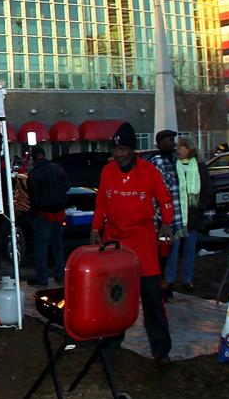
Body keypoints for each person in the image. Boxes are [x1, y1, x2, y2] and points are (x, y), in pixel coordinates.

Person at [90, 121, 174, 365]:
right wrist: (96, 228)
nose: (119, 154)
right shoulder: (107, 172)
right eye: (116, 150)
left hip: (142, 244)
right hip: (115, 244)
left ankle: (161, 350)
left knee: (152, 298)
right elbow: (101, 205)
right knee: (114, 297)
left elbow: (165, 200)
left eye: (124, 149)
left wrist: (167, 223)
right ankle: (111, 342)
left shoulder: (148, 171)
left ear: (133, 151)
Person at [165, 137, 211, 294]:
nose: (178, 150)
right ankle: (170, 280)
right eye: (177, 147)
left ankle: (187, 279)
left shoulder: (199, 167)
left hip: (193, 214)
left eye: (181, 147)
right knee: (174, 249)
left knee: (190, 248)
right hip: (177, 214)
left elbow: (206, 188)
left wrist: (200, 206)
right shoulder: (173, 166)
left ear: (189, 149)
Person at [26, 144, 70, 287]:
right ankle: (60, 275)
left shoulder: (34, 173)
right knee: (58, 246)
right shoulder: (58, 168)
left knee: (41, 248)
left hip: (43, 214)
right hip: (59, 212)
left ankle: (42, 279)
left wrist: (33, 214)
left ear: (34, 158)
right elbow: (67, 186)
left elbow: (33, 197)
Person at [148, 128, 183, 300]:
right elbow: (158, 194)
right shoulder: (157, 162)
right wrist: (162, 220)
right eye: (169, 140)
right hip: (163, 221)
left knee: (174, 254)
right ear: (161, 143)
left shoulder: (175, 160)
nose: (173, 144)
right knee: (162, 255)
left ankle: (169, 284)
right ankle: (159, 286)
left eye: (173, 140)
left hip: (177, 217)